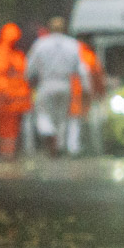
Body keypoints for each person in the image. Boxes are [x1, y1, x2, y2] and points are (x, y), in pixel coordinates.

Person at [25, 17, 84, 156]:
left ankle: (48, 132)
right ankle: (59, 145)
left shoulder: (40, 44)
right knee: (61, 117)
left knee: (43, 114)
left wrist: (29, 78)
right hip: (65, 83)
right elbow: (80, 68)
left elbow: (30, 67)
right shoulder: (73, 44)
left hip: (46, 83)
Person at [0, 23, 31, 159]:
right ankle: (5, 154)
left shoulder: (17, 54)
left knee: (15, 128)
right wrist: (6, 93)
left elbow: (24, 75)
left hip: (18, 99)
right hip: (7, 99)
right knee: (6, 128)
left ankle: (11, 153)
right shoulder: (2, 54)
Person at [69, 38, 102, 155]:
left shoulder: (70, 54)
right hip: (86, 93)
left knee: (73, 120)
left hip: (71, 92)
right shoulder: (89, 56)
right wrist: (100, 93)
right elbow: (97, 76)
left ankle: (71, 147)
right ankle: (94, 147)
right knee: (89, 121)